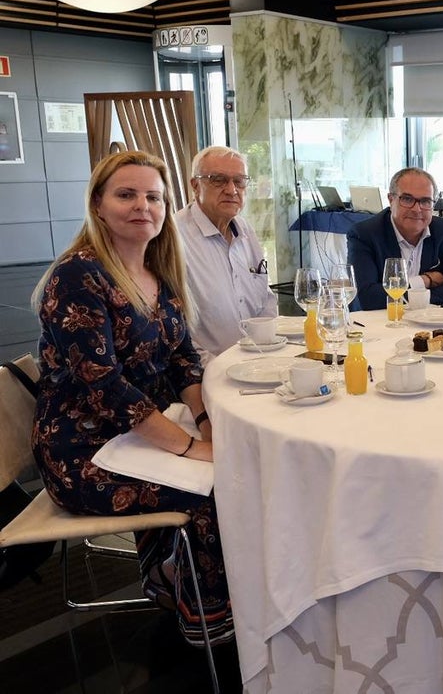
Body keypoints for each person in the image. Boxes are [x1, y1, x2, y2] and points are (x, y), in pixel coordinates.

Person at [30, 151, 232, 647]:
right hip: (83, 451)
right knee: (220, 490)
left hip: (136, 433)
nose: (143, 205)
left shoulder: (158, 273)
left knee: (237, 460)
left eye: (154, 197)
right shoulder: (78, 276)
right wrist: (187, 448)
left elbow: (184, 360)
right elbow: (106, 388)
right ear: (98, 204)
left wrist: (206, 424)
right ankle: (206, 619)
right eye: (126, 194)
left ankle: (179, 575)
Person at [175, 146, 277, 361]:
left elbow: (265, 300)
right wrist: (218, 369)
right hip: (205, 372)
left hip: (258, 364)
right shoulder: (173, 238)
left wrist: (266, 353)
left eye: (239, 181)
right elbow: (175, 330)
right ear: (195, 185)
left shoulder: (245, 229)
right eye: (218, 180)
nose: (231, 190)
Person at [348, 167, 443, 308]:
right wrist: (424, 281)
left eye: (425, 201)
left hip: (429, 322)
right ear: (391, 199)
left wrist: (408, 295)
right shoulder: (364, 234)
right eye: (407, 199)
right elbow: (368, 297)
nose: (416, 209)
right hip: (380, 324)